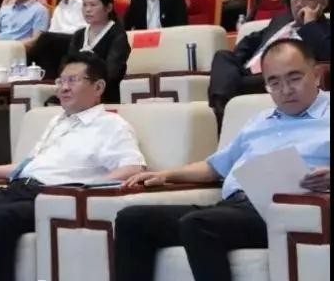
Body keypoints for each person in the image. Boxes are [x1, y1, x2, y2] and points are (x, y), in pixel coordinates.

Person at [0, 53, 146, 281]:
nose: (63, 88)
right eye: (60, 81)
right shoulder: (58, 121)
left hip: (51, 199)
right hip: (16, 191)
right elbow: (28, 166)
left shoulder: (111, 125)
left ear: (99, 87)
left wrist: (79, 191)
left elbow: (133, 168)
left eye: (72, 81)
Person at [115, 39, 329, 281]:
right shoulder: (260, 121)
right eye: (274, 82)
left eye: (294, 78)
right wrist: (165, 175)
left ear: (316, 75)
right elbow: (213, 167)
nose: (286, 90)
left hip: (292, 213)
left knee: (199, 224)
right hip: (237, 207)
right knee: (133, 220)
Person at [207, 0, 330, 125]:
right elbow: (250, 41)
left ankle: (220, 116)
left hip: (277, 79)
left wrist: (309, 25)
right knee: (223, 56)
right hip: (249, 75)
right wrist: (237, 67)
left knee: (227, 84)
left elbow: (326, 54)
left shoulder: (323, 31)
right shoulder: (282, 20)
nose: (298, 4)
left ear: (323, 3)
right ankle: (221, 109)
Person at [65, 0, 131, 102]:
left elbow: (112, 72)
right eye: (85, 5)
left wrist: (86, 86)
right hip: (76, 92)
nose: (87, 10)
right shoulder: (78, 35)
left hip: (105, 94)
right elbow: (68, 66)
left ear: (109, 7)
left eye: (93, 5)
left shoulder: (117, 35)